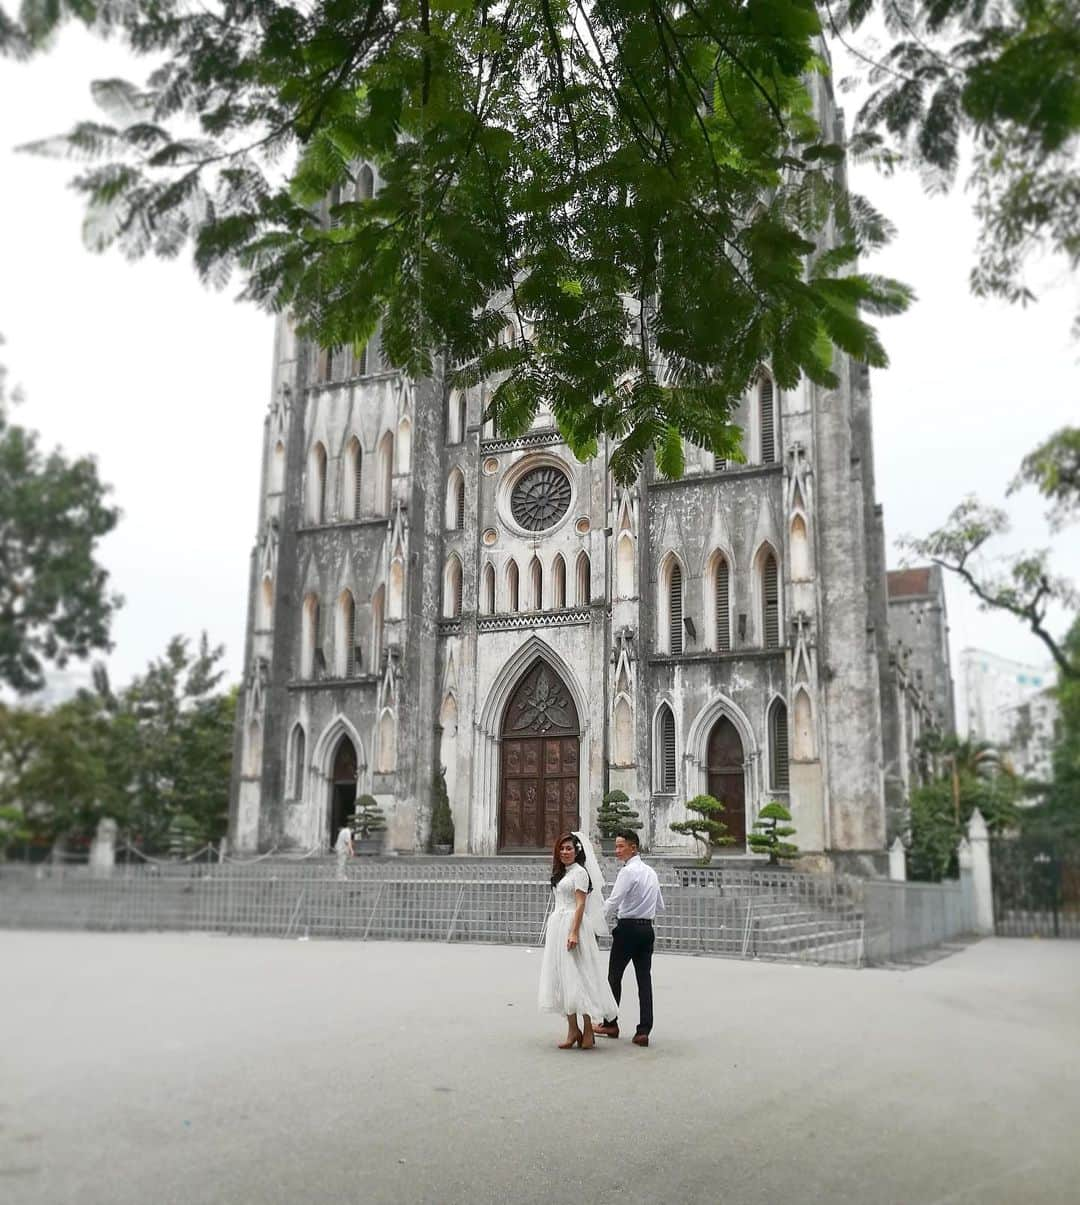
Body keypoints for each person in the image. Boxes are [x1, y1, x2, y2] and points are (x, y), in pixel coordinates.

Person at [537, 831, 618, 1050]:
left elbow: (581, 904)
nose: (565, 852)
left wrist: (573, 932)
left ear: (577, 851)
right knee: (564, 976)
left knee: (580, 974)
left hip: (573, 925)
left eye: (569, 848)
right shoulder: (562, 872)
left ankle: (588, 1028)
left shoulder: (580, 873)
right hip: (558, 925)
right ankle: (573, 1029)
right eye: (562, 849)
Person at [594, 830, 665, 1047]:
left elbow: (613, 901)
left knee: (614, 976)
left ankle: (610, 1022)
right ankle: (644, 1030)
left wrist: (593, 923)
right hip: (647, 929)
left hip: (627, 929)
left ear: (633, 847)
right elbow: (660, 904)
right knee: (644, 980)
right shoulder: (651, 872)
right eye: (616, 846)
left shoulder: (628, 872)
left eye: (620, 846)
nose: (616, 850)